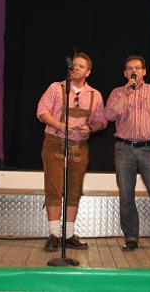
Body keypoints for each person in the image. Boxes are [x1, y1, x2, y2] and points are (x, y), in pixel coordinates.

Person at [104, 55, 150, 253]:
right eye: (130, 68)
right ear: (125, 73)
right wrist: (125, 93)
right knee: (126, 196)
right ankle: (131, 237)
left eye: (137, 67)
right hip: (124, 149)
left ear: (144, 71)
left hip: (149, 149)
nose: (134, 71)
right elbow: (109, 115)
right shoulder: (118, 92)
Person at [37, 52, 107, 252]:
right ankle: (54, 234)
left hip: (79, 147)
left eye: (80, 66)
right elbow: (42, 111)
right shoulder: (56, 87)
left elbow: (102, 121)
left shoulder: (94, 94)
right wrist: (59, 125)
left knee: (74, 190)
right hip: (54, 142)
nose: (75, 68)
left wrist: (91, 128)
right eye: (73, 65)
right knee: (54, 188)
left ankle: (68, 235)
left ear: (88, 72)